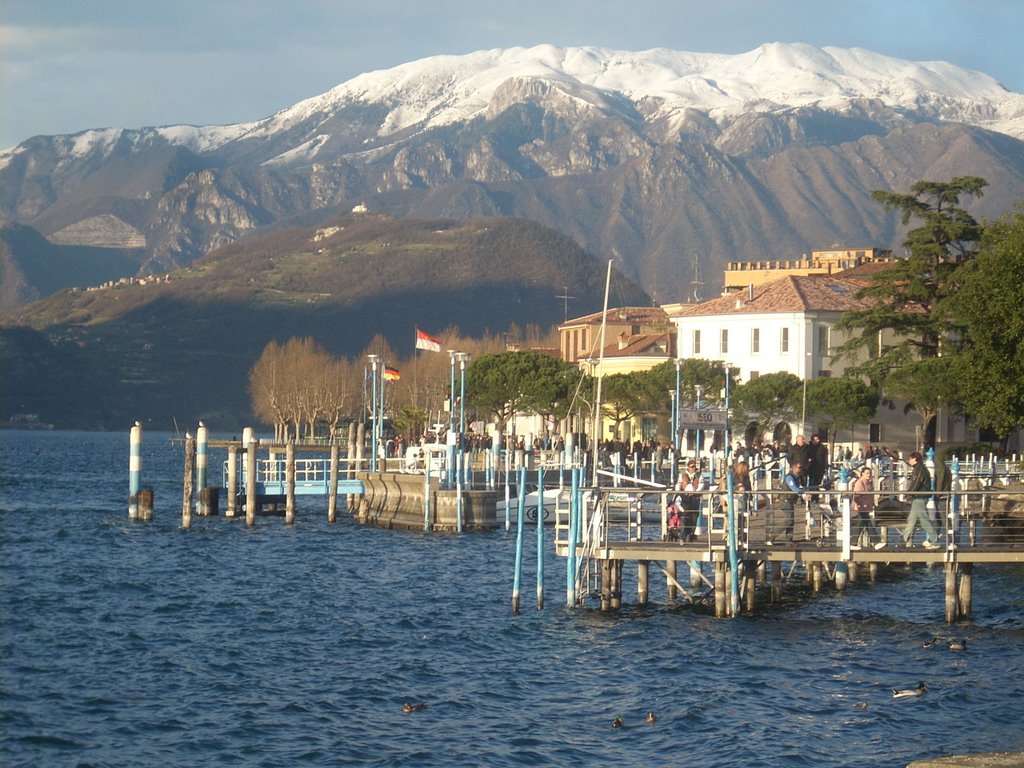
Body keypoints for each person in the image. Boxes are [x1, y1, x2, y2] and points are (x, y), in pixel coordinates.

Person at [901, 451, 939, 548]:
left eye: (910, 459)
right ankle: (904, 539)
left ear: (914, 459)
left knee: (924, 520)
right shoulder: (919, 468)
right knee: (911, 519)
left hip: (920, 497)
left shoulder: (919, 469)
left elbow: (916, 483)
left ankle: (935, 540)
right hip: (918, 497)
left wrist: (908, 493)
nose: (909, 461)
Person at [770, 460, 810, 544]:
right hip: (785, 500)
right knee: (789, 520)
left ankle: (789, 541)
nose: (801, 469)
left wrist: (805, 491)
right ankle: (773, 533)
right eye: (799, 467)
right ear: (794, 468)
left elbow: (799, 487)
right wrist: (803, 495)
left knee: (791, 520)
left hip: (790, 501)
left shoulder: (797, 477)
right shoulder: (789, 477)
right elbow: (794, 488)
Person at [851, 466, 885, 550]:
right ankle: (876, 542)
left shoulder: (869, 483)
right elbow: (857, 496)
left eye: (870, 473)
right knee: (866, 524)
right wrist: (863, 504)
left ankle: (853, 543)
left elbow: (871, 495)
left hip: (866, 507)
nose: (869, 475)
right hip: (861, 507)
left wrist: (873, 504)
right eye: (867, 473)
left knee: (864, 524)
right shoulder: (860, 482)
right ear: (862, 474)